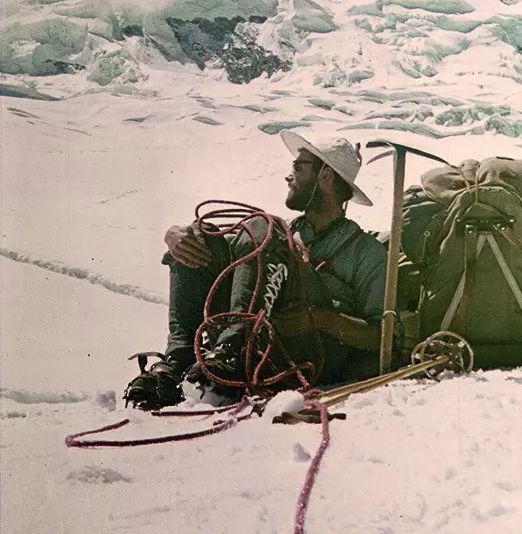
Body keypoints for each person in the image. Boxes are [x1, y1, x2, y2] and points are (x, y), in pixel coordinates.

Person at [124, 132, 389, 410]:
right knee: (206, 235)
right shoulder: (282, 234)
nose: (289, 176)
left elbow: (383, 337)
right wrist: (178, 237)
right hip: (270, 341)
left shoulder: (365, 251)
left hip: (315, 352)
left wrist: (320, 319)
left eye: (298, 167)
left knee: (264, 226)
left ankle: (233, 351)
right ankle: (178, 361)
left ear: (325, 175)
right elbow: (222, 256)